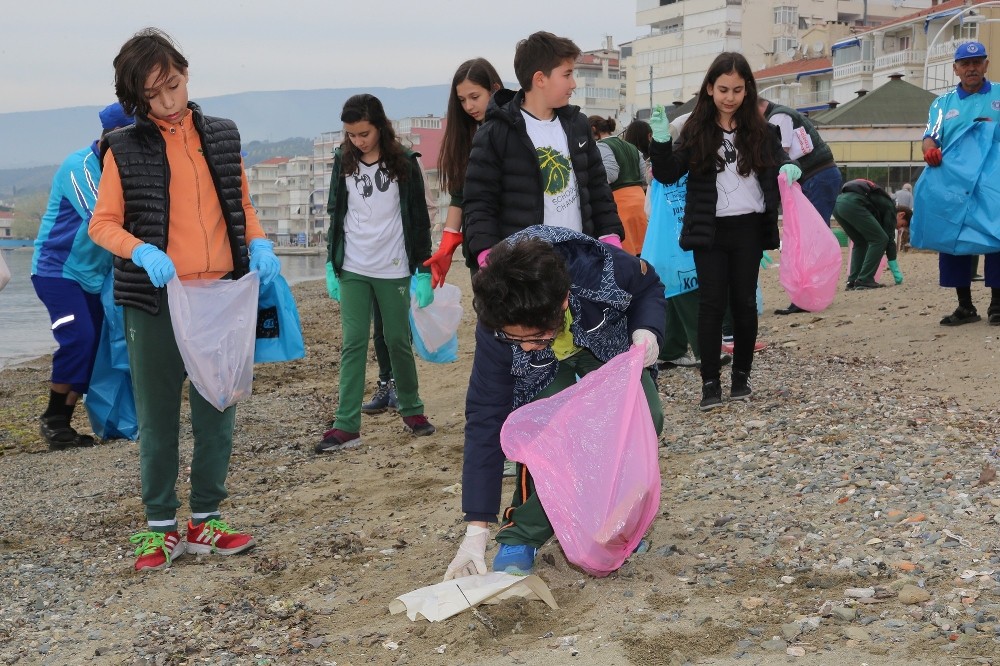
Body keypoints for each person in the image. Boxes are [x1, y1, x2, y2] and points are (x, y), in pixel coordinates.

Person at [89, 28, 280, 572]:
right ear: (137, 99)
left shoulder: (221, 135)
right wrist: (142, 251)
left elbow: (239, 204)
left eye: (173, 83)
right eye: (154, 93)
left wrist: (259, 241)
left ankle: (206, 520)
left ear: (185, 73)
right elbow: (102, 224)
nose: (169, 99)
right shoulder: (123, 148)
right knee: (156, 415)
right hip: (155, 302)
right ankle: (159, 527)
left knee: (218, 406)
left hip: (220, 293)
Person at [442, 226, 665, 580]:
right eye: (514, 337)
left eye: (532, 337)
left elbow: (649, 285)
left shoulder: (598, 269)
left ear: (562, 303)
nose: (524, 344)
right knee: (548, 431)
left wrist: (648, 329)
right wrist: (476, 528)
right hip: (542, 369)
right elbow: (484, 418)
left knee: (645, 417)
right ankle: (521, 533)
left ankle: (611, 519)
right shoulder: (499, 319)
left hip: (601, 341)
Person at [648, 53, 799, 411]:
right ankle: (710, 383)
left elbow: (781, 161)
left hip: (749, 227)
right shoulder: (696, 131)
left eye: (737, 90)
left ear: (747, 91)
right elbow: (668, 173)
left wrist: (791, 169)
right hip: (709, 230)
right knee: (711, 305)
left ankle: (742, 377)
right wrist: (659, 141)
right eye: (722, 89)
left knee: (745, 303)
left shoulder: (763, 131)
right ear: (709, 89)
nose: (730, 97)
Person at [318, 94, 436, 453]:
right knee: (353, 343)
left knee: (398, 340)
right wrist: (330, 262)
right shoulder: (343, 159)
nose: (358, 141)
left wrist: (423, 270)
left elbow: (418, 218)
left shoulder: (404, 161)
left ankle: (413, 410)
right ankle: (346, 426)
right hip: (353, 266)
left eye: (364, 133)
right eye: (352, 135)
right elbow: (336, 211)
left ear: (380, 126)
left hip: (393, 267)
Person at [462, 31, 625, 267]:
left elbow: (598, 188)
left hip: (580, 260)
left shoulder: (578, 125)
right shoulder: (495, 133)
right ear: (540, 79)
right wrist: (487, 256)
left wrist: (610, 236)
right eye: (567, 75)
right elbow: (479, 202)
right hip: (526, 269)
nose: (573, 84)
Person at [31, 103, 132, 450]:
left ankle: (64, 422)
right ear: (111, 137)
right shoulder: (80, 166)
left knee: (94, 346)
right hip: (58, 271)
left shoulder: (124, 170)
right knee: (79, 338)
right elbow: (101, 219)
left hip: (95, 275)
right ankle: (53, 419)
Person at [922, 41, 1000, 326]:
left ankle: (997, 305)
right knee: (953, 237)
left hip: (994, 183)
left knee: (998, 237)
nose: (971, 68)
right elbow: (931, 135)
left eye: (977, 62)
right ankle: (965, 305)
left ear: (985, 65)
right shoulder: (942, 104)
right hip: (955, 183)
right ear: (955, 69)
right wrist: (929, 150)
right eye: (965, 64)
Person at [757, 97, 843, 315]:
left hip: (818, 177)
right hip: (819, 177)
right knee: (812, 237)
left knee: (810, 240)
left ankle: (808, 296)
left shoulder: (779, 117)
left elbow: (780, 154)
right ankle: (814, 292)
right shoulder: (783, 114)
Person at [589, 115, 648, 254]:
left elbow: (611, 173)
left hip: (620, 204)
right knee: (643, 250)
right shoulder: (631, 146)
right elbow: (644, 175)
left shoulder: (601, 146)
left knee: (626, 255)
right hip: (641, 202)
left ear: (593, 129)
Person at [832, 179, 904, 290]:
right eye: (902, 224)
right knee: (880, 239)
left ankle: (852, 281)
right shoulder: (890, 208)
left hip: (838, 204)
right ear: (901, 215)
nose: (899, 228)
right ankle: (865, 279)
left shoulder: (881, 205)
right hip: (853, 204)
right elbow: (889, 239)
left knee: (860, 241)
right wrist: (895, 269)